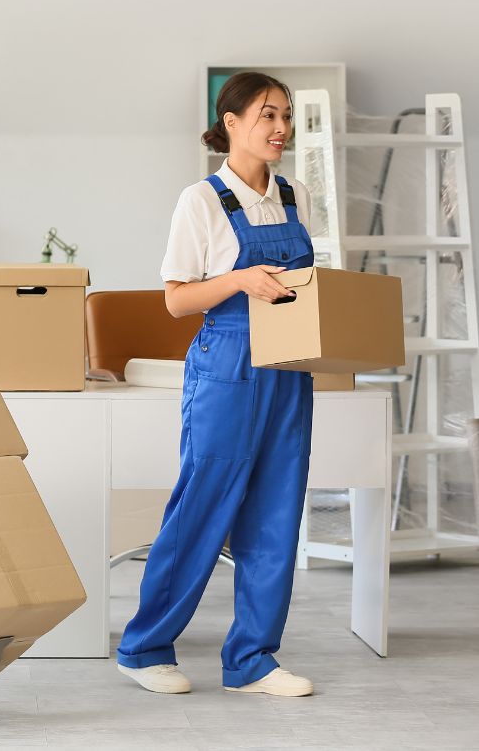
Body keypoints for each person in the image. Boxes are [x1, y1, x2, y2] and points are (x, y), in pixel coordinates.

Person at [116, 71, 317, 698]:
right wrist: (239, 279)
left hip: (287, 366)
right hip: (227, 364)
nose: (280, 128)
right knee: (203, 505)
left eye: (286, 115)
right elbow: (176, 300)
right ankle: (145, 649)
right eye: (267, 115)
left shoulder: (296, 194)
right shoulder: (201, 200)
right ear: (230, 121)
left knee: (277, 510)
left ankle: (253, 659)